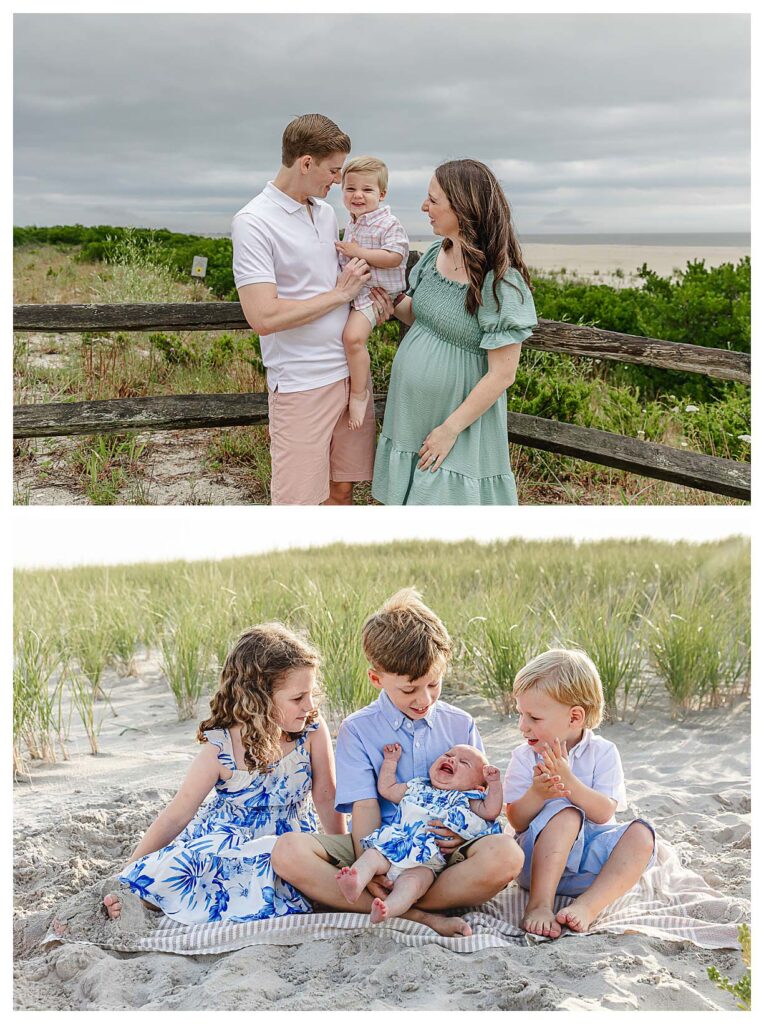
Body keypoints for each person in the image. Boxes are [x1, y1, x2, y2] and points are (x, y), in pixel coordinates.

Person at [271, 589, 524, 937]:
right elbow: (363, 807)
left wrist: (462, 833)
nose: (424, 699)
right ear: (377, 678)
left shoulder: (459, 723)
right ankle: (418, 915)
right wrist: (370, 864)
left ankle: (403, 902)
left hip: (445, 852)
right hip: (382, 845)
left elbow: (478, 797)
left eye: (433, 684)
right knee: (287, 852)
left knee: (507, 855)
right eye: (409, 690)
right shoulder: (359, 729)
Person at [102, 624, 345, 925]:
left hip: (291, 841)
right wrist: (131, 869)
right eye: (298, 698)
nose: (309, 706)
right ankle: (136, 896)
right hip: (231, 842)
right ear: (259, 699)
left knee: (303, 878)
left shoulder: (311, 729)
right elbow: (177, 814)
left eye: (310, 694)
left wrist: (344, 855)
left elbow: (326, 796)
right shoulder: (222, 749)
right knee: (185, 873)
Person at [371, 159, 538, 505]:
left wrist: (449, 431)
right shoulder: (436, 254)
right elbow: (419, 315)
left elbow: (502, 375)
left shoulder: (500, 282)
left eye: (433, 200)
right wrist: (383, 297)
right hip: (410, 414)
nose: (424, 207)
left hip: (456, 423)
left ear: (462, 207)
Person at [232, 113, 378, 506]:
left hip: (350, 378)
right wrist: (339, 295)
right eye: (333, 171)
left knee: (342, 490)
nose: (338, 181)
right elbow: (263, 317)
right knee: (298, 503)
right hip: (301, 384)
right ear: (306, 162)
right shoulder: (253, 222)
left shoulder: (327, 213)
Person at [503, 648, 657, 939]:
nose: (523, 727)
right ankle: (539, 904)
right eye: (520, 714)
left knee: (642, 834)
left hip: (588, 867)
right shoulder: (525, 757)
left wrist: (569, 783)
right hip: (538, 864)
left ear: (574, 717)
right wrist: (537, 794)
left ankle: (588, 906)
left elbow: (604, 813)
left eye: (534, 717)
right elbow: (516, 820)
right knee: (566, 814)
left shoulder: (604, 753)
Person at [336, 742, 503, 925]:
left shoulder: (466, 798)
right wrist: (390, 762)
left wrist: (494, 784)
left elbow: (491, 811)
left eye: (464, 762)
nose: (452, 760)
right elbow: (387, 788)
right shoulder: (417, 786)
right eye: (448, 755)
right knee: (371, 857)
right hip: (394, 846)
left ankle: (387, 909)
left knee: (413, 885)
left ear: (477, 788)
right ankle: (356, 882)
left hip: (426, 861)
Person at [335, 156, 409, 429]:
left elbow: (395, 256)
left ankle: (359, 393)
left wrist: (359, 253)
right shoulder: (354, 222)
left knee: (352, 339)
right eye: (350, 188)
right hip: (358, 293)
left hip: (376, 294)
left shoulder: (388, 223)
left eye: (367, 190)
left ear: (382, 193)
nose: (358, 195)